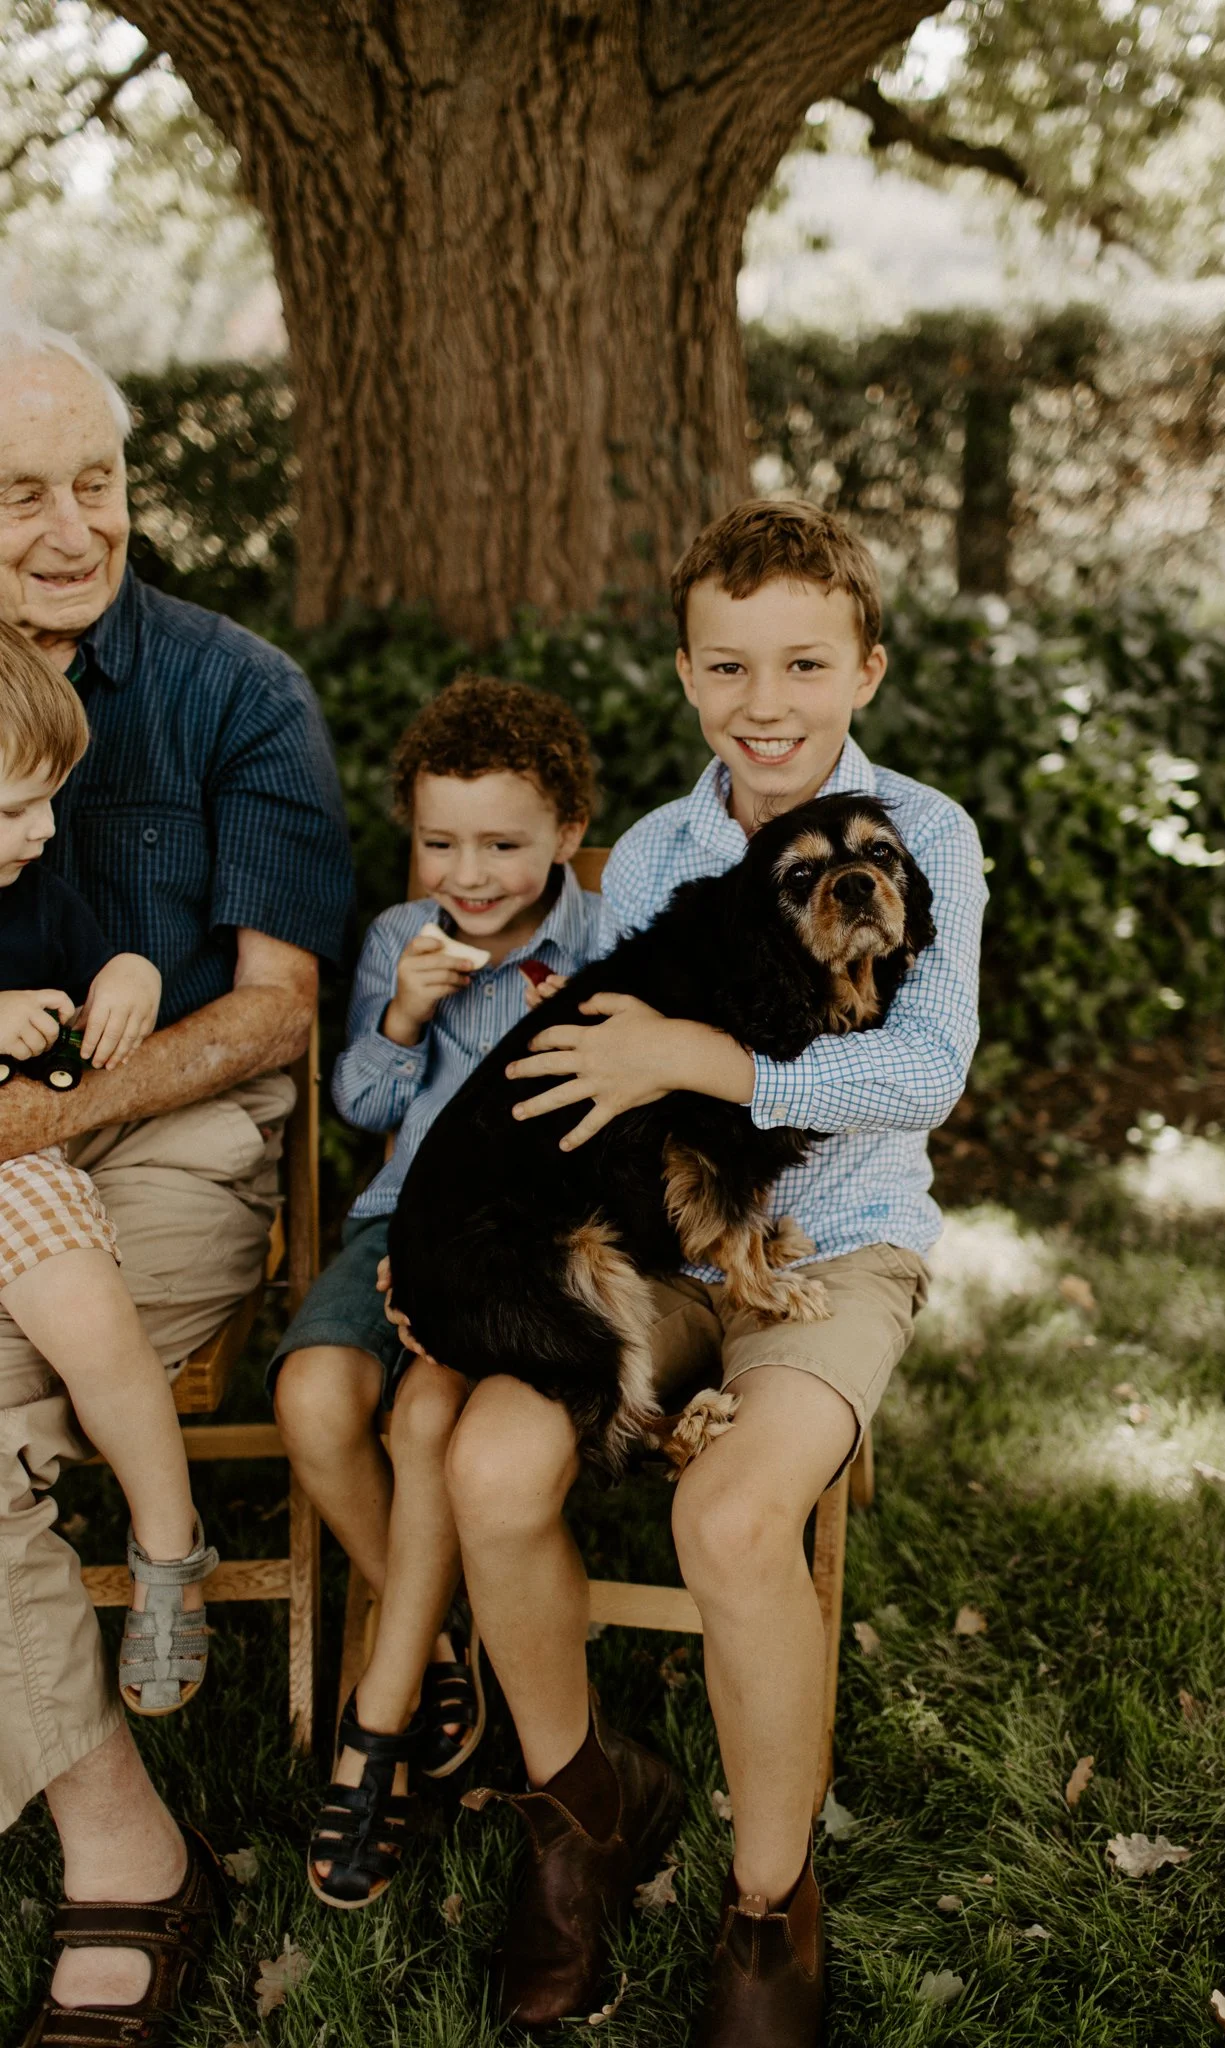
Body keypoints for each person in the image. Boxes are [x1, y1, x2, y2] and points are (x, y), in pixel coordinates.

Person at [443, 500, 988, 2043]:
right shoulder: (661, 857)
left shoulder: (924, 835)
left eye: (804, 663)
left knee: (732, 1516)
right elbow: (602, 1095)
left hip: (844, 1242)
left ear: (865, 669)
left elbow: (925, 1072)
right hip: (663, 1244)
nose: (766, 703)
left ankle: (766, 1904)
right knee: (490, 1465)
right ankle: (583, 1805)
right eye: (730, 666)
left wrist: (712, 1062)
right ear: (685, 673)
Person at [0, 319, 351, 2046]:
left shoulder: (237, 688)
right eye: (19, 496)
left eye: (97, 481)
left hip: (176, 1132)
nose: (73, 529)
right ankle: (127, 1826)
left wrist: (46, 1114)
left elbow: (277, 1010)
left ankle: (125, 1864)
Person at [270, 675, 603, 1909]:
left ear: (567, 831)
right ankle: (448, 1636)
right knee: (314, 1395)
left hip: (515, 1239)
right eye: (439, 841)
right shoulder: (401, 935)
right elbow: (361, 1102)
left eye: (503, 844)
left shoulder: (604, 946)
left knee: (422, 1420)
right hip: (395, 1214)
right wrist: (406, 1013)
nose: (468, 873)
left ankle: (380, 1720)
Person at [0, 621, 221, 1719]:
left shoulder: (33, 889)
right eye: (14, 809)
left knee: (93, 1316)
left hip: (14, 1166)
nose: (44, 829)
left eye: (50, 799)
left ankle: (169, 1547)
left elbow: (104, 958)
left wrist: (130, 970)